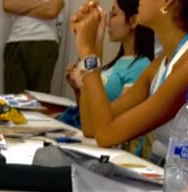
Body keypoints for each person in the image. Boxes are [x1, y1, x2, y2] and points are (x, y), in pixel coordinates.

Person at [71, 0, 188, 162]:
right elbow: (91, 127)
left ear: (167, 3)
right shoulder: (163, 61)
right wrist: (94, 46)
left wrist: (88, 53)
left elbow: (106, 135)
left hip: (184, 180)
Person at [61, 0, 155, 130]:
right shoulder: (118, 62)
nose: (108, 23)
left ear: (133, 21)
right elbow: (87, 112)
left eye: (114, 15)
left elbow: (114, 119)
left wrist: (84, 83)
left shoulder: (140, 65)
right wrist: (78, 89)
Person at [3, 0, 65, 95]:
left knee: (39, 100)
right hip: (15, 40)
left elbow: (52, 11)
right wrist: (42, 4)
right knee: (14, 100)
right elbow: (8, 5)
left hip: (44, 40)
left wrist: (21, 8)